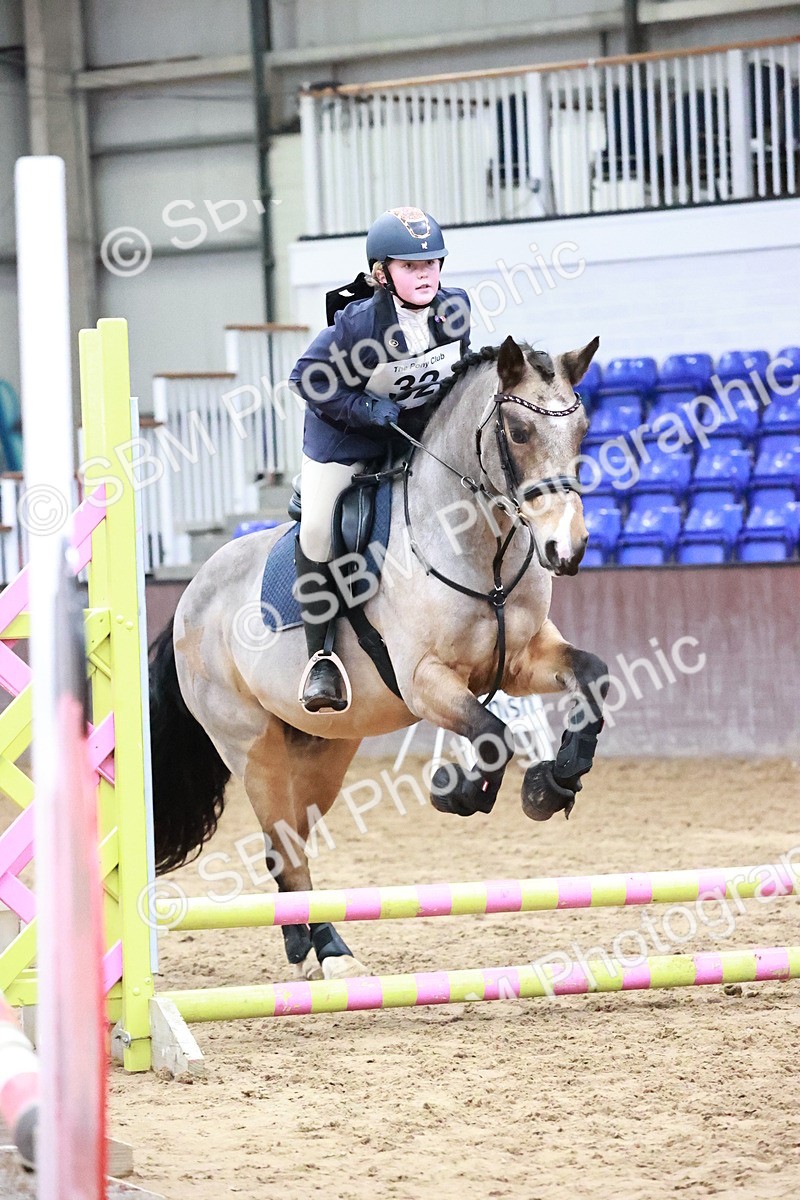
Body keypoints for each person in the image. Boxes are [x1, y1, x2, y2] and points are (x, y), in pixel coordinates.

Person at [289, 206, 471, 713]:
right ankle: (321, 657)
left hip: (409, 434)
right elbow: (307, 377)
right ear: (381, 273)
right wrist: (367, 407)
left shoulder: (455, 309)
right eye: (411, 266)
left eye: (432, 263)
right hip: (343, 441)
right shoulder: (358, 324)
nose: (425, 275)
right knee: (319, 528)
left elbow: (454, 373)